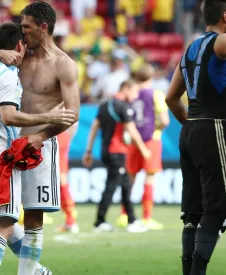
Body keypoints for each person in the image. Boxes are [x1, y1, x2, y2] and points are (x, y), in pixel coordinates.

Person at [0, 2, 80, 273]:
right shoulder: (17, 55)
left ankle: (29, 272)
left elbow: (72, 112)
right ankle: (35, 270)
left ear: (43, 27)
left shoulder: (63, 64)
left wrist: (40, 136)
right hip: (7, 146)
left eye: (26, 26)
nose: (22, 31)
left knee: (33, 215)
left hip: (39, 147)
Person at [165, 1, 226, 273]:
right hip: (214, 127)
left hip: (190, 130)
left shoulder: (190, 48)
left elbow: (170, 97)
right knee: (218, 206)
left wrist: (191, 125)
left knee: (193, 212)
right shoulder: (222, 42)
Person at [82, 80, 150, 233]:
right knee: (111, 186)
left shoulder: (105, 105)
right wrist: (143, 149)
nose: (135, 96)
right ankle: (100, 221)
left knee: (126, 184)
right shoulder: (122, 107)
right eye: (134, 92)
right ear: (125, 89)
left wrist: (88, 151)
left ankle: (131, 220)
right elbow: (131, 130)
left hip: (106, 151)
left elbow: (94, 127)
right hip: (117, 152)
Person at [117, 64, 169, 230]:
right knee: (149, 178)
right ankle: (147, 217)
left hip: (132, 140)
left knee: (130, 178)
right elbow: (165, 120)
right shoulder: (156, 94)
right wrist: (158, 127)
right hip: (151, 140)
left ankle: (124, 215)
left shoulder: (131, 92)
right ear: (151, 77)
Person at [56, 123, 79, 233]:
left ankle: (71, 220)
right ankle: (70, 220)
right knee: (60, 181)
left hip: (56, 136)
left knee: (61, 180)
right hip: (57, 135)